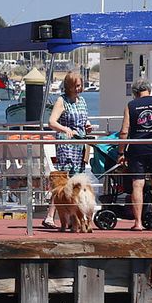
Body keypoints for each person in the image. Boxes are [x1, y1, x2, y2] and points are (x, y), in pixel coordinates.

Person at [43, 71, 94, 229]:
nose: (79, 88)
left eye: (80, 85)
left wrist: (88, 126)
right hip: (67, 144)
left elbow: (83, 118)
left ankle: (74, 216)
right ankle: (51, 216)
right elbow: (51, 121)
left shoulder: (82, 101)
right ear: (70, 86)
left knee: (77, 181)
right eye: (77, 86)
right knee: (64, 181)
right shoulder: (62, 101)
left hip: (80, 144)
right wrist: (65, 129)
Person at [119, 78, 152, 230]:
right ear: (149, 90)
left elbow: (124, 132)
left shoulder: (131, 105)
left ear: (135, 92)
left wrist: (121, 152)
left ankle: (138, 223)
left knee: (137, 183)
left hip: (137, 148)